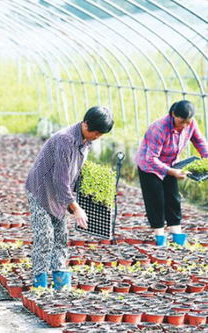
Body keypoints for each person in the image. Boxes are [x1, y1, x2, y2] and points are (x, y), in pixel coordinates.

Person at [25, 106, 114, 290]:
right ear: (86, 124)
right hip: (42, 190)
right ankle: (39, 283)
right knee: (45, 237)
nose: (97, 137)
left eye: (100, 134)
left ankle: (60, 280)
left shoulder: (85, 141)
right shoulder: (66, 140)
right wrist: (75, 208)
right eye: (96, 132)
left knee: (60, 236)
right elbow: (60, 179)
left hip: (59, 193)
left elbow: (73, 173)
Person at [135, 100, 207, 247]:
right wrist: (171, 171)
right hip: (149, 166)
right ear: (174, 114)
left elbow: (199, 142)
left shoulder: (191, 124)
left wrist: (206, 158)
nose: (185, 125)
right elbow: (151, 158)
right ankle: (160, 236)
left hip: (171, 164)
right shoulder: (160, 128)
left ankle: (176, 233)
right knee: (156, 200)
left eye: (188, 122)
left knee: (173, 198)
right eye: (182, 121)